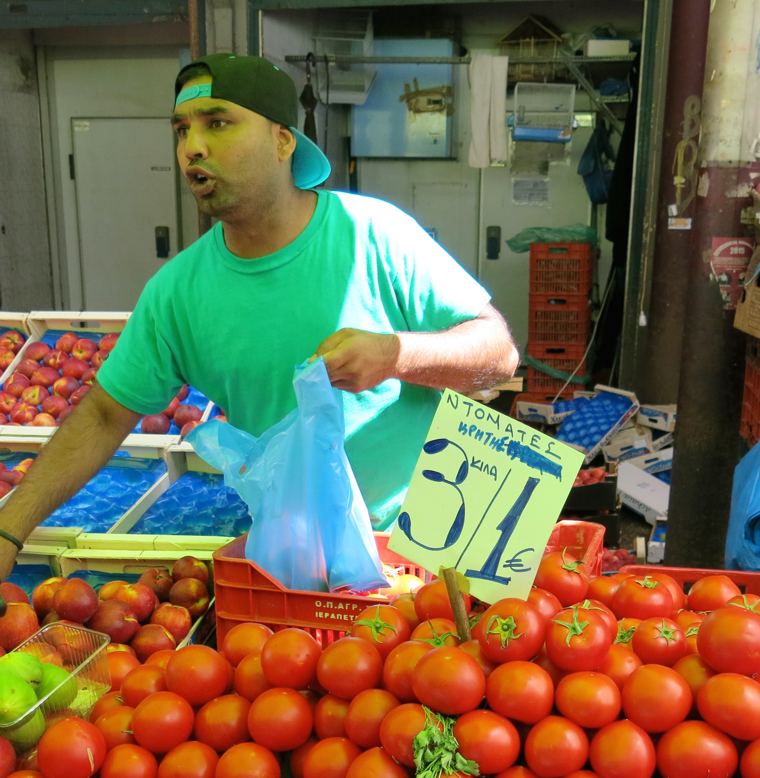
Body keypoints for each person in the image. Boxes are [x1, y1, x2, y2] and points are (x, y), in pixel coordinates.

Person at [0, 54, 518, 578]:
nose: (192, 148)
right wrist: (8, 530)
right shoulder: (177, 293)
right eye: (182, 130)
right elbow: (103, 416)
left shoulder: (375, 236)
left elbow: (498, 353)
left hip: (433, 538)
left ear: (282, 141)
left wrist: (397, 355)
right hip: (301, 558)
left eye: (218, 123)